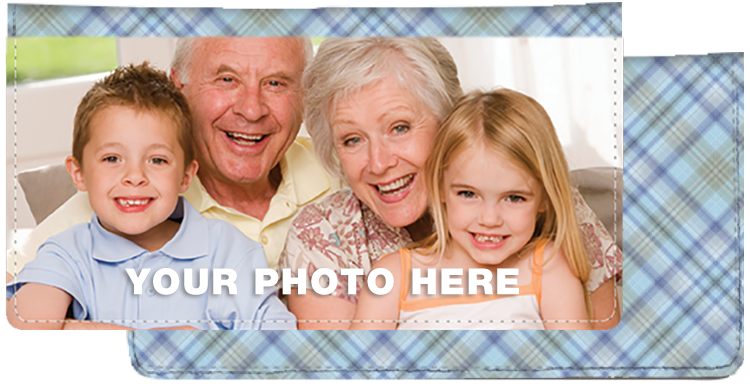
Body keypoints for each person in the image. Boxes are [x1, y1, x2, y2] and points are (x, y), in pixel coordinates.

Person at [280, 37, 622, 330]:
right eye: (352, 139)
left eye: (400, 127)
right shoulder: (325, 237)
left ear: (449, 122)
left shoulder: (540, 215)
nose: (379, 162)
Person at [6, 37, 343, 286]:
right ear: (179, 87)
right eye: (227, 80)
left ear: (304, 94)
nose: (251, 110)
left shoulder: (346, 167)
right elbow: (10, 297)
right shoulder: (129, 199)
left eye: (275, 83)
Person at [6, 63, 295, 330]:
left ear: (185, 176)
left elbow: (281, 343)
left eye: (157, 160)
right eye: (112, 158)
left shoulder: (229, 252)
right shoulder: (69, 251)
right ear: (78, 173)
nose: (135, 176)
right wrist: (159, 343)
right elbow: (32, 323)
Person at [350, 89, 592, 330]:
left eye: (514, 198)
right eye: (468, 194)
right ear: (440, 186)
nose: (489, 219)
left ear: (545, 198)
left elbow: (578, 365)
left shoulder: (547, 267)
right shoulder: (395, 276)